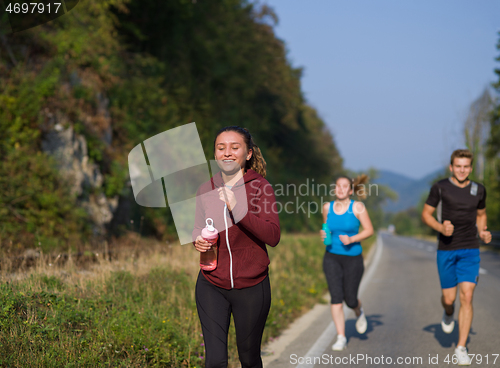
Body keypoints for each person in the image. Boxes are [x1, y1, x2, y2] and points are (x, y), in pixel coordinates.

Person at [192, 126, 280, 368]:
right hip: (211, 283)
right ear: (215, 154)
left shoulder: (261, 187)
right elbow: (197, 227)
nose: (227, 153)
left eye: (234, 147)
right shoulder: (205, 188)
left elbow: (273, 235)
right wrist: (197, 239)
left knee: (249, 359)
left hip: (252, 286)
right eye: (221, 148)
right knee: (215, 361)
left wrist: (238, 209)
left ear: (248, 153)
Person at [422, 149, 492, 366]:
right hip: (446, 249)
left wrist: (483, 231)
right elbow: (426, 214)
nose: (462, 170)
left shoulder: (478, 189)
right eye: (458, 166)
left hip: (470, 248)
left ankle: (461, 347)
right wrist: (440, 227)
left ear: (471, 168)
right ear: (451, 167)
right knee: (450, 299)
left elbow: (481, 215)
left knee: (467, 296)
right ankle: (448, 312)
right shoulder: (440, 188)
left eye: (466, 166)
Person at [320, 175, 374, 351]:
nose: (341, 189)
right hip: (331, 257)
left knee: (350, 299)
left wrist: (352, 239)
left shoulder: (357, 207)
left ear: (351, 190)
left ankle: (359, 311)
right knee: (336, 298)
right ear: (334, 189)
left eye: (345, 186)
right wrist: (323, 236)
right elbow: (326, 229)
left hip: (353, 259)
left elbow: (369, 230)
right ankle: (341, 337)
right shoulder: (327, 207)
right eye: (338, 186)